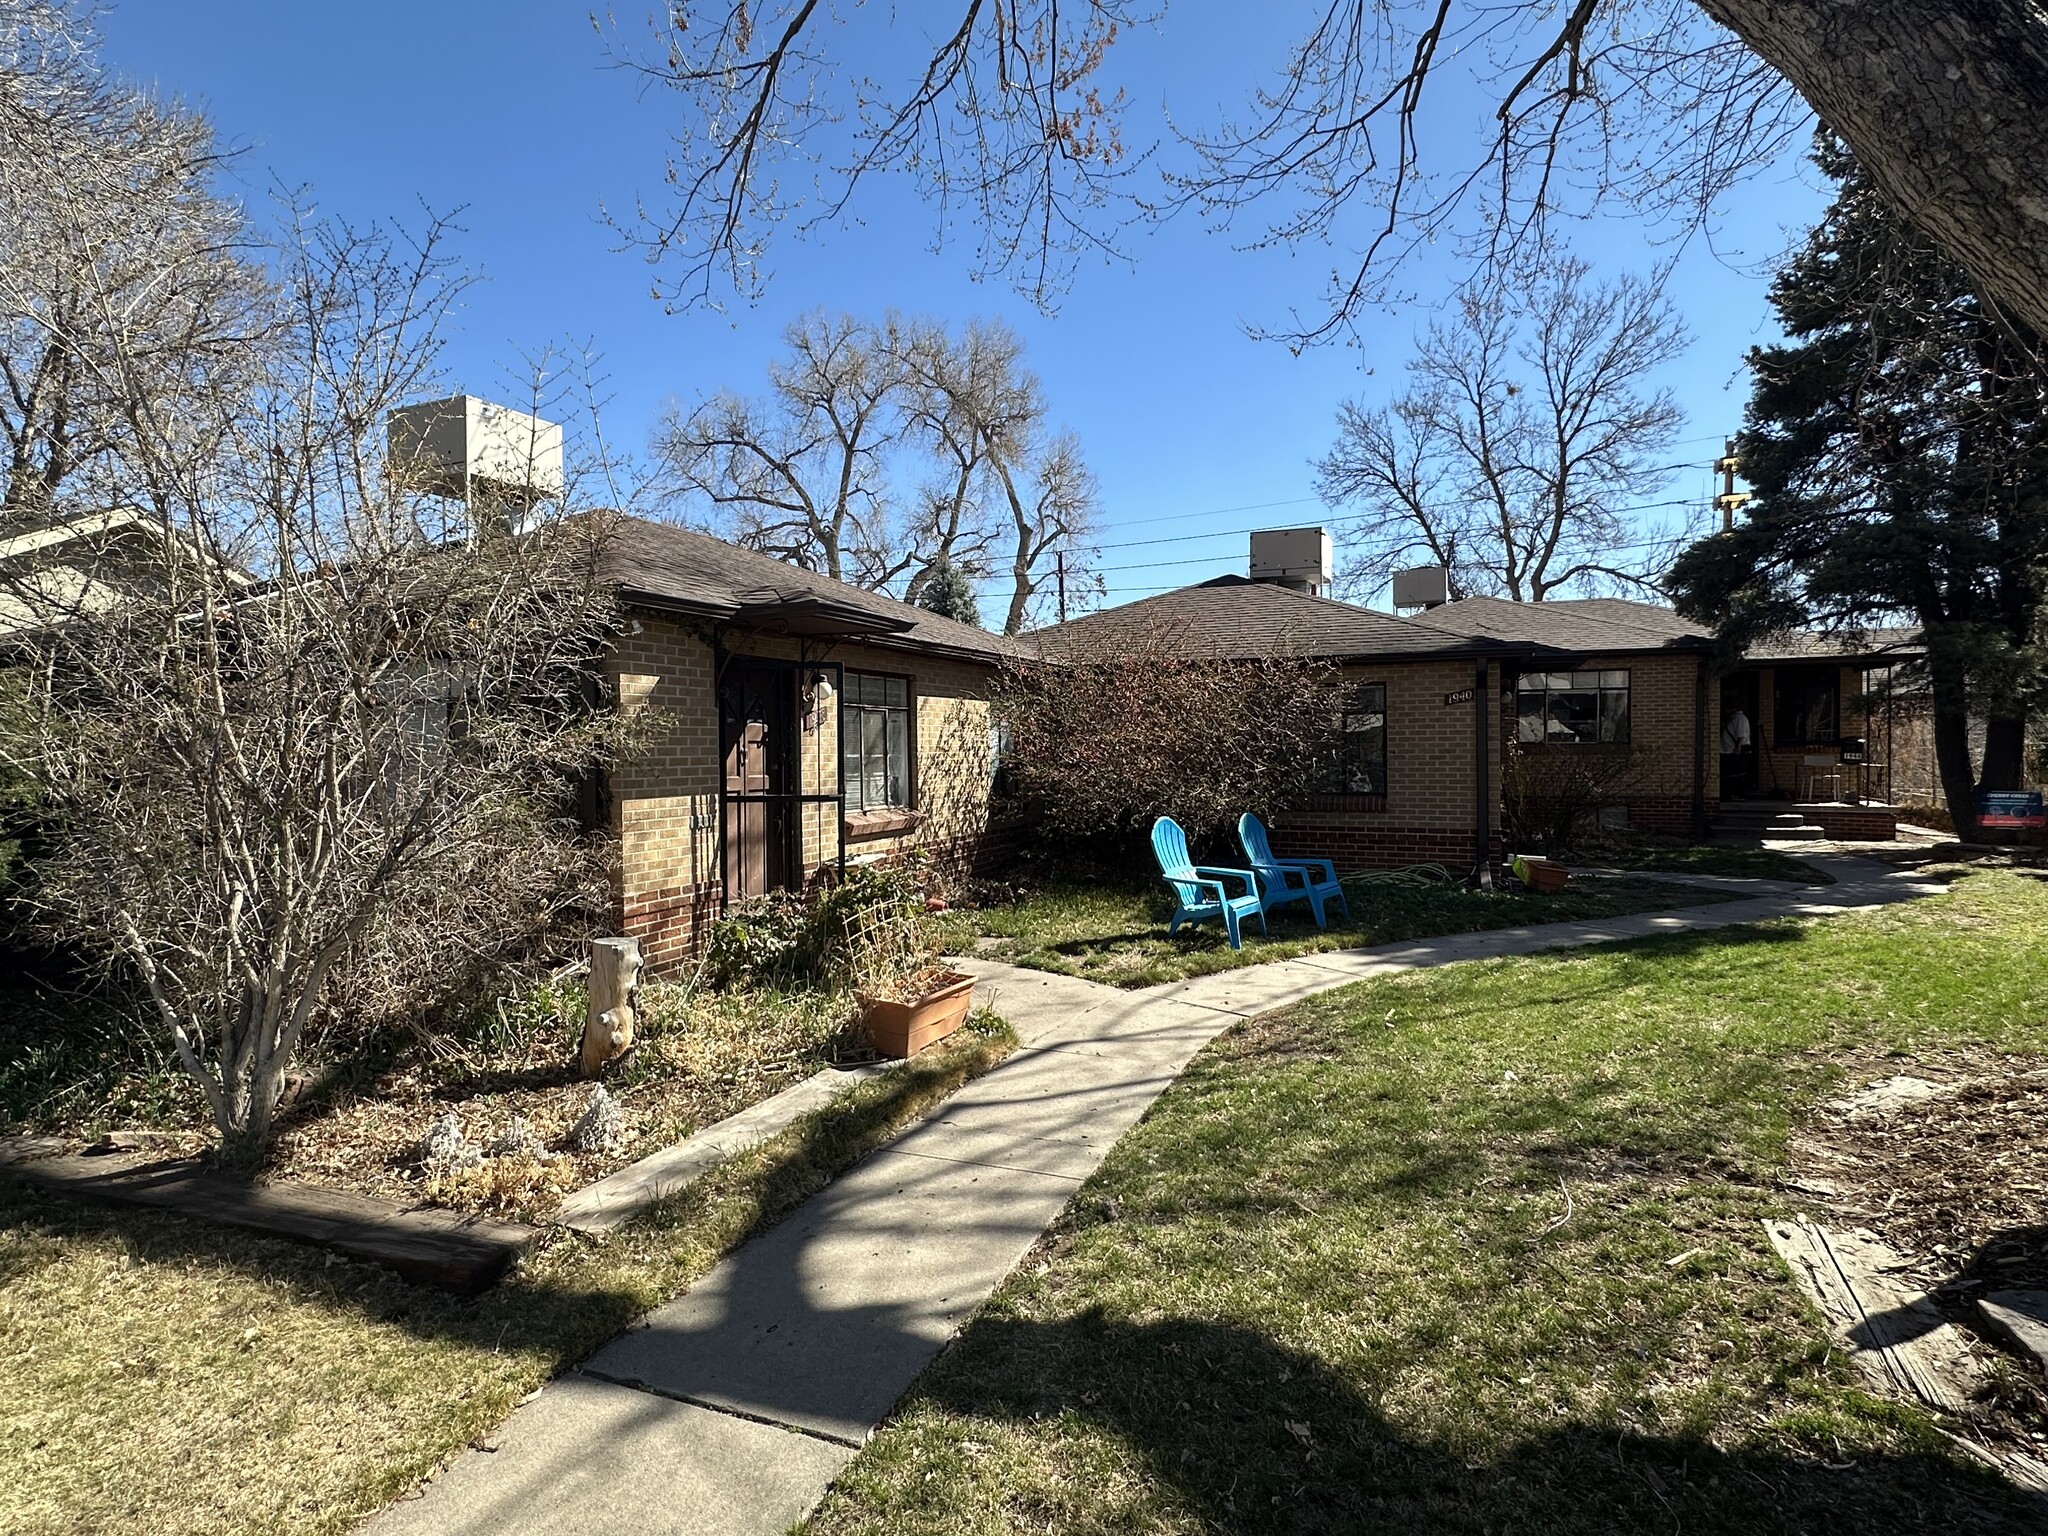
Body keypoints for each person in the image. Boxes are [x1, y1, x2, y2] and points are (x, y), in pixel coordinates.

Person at [1720, 707, 1753, 796]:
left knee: (1736, 773)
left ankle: (1737, 792)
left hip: (1733, 751)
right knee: (1732, 773)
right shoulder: (1734, 718)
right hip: (1729, 750)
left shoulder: (1739, 718)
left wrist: (1738, 748)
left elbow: (1741, 735)